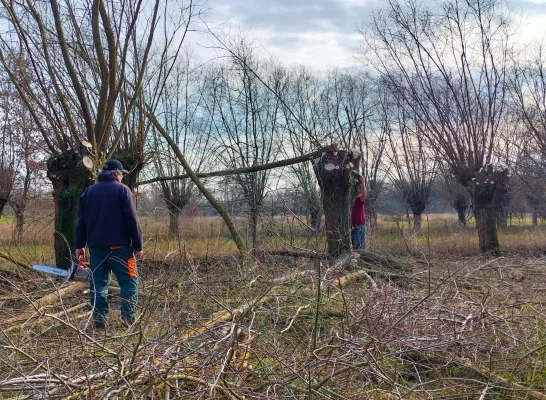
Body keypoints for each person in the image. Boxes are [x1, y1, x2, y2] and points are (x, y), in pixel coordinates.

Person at [75, 159, 143, 329]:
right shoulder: (122, 190)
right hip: (120, 248)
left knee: (98, 283)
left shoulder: (88, 192)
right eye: (122, 174)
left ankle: (99, 321)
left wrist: (79, 246)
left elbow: (81, 221)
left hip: (96, 248)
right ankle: (127, 320)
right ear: (117, 173)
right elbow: (132, 219)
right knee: (129, 282)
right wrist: (138, 245)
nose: (122, 177)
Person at [351, 175, 367, 250]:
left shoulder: (358, 199)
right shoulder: (346, 202)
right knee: (353, 249)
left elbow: (364, 195)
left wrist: (363, 183)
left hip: (360, 227)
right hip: (352, 228)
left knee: (359, 250)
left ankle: (359, 261)